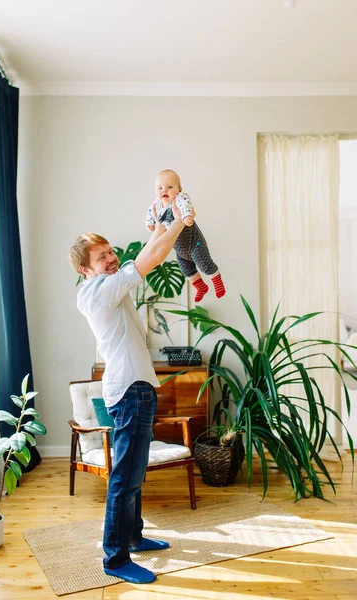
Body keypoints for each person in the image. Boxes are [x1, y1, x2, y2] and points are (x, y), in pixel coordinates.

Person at [68, 201, 187, 585]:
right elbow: (152, 256)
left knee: (133, 473)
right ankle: (115, 559)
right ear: (86, 269)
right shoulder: (99, 291)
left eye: (110, 252)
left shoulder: (104, 288)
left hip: (137, 387)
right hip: (131, 389)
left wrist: (160, 223)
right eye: (101, 257)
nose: (111, 258)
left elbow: (148, 249)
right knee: (124, 476)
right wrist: (182, 222)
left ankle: (132, 537)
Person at [146, 169, 226, 302]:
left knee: (203, 263)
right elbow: (150, 213)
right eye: (160, 188)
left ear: (179, 189)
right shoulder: (157, 205)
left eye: (169, 187)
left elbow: (186, 206)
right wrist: (149, 223)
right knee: (186, 269)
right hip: (179, 248)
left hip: (194, 242)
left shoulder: (180, 199)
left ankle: (218, 284)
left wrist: (187, 215)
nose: (164, 191)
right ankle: (201, 287)